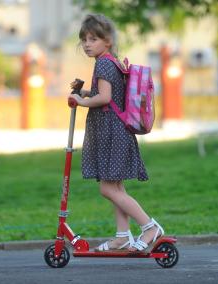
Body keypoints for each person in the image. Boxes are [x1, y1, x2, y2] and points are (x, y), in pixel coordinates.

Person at [68, 14, 164, 252]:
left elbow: (106, 98)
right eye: (84, 39)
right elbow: (107, 94)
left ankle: (150, 227)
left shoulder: (102, 63)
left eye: (93, 39)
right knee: (117, 188)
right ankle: (122, 235)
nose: (87, 44)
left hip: (112, 132)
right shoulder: (112, 61)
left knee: (108, 188)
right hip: (116, 131)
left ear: (107, 40)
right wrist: (85, 93)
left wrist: (80, 101)